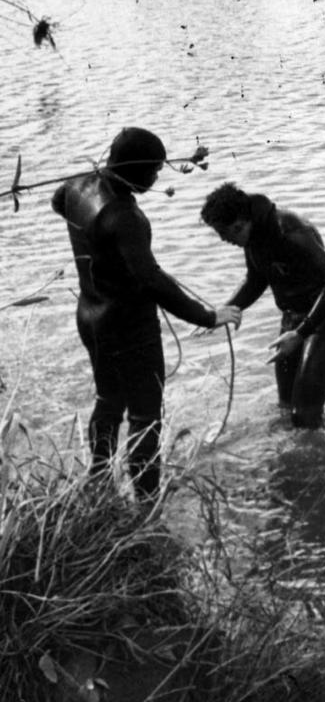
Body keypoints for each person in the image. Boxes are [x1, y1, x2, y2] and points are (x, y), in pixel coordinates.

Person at [51, 127, 241, 502]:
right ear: (135, 168)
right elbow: (150, 280)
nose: (156, 178)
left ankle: (100, 480)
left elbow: (59, 205)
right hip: (128, 327)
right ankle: (147, 499)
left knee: (108, 400)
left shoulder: (76, 186)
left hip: (91, 315)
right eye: (153, 171)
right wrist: (207, 316)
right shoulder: (124, 216)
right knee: (145, 415)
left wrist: (109, 254)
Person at [200, 182, 325, 429]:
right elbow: (255, 280)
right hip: (293, 318)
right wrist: (220, 313)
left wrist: (302, 333)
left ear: (240, 223)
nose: (225, 240)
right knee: (285, 405)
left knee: (304, 413)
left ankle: (315, 458)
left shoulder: (289, 230)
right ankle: (294, 448)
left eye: (226, 235)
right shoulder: (252, 236)